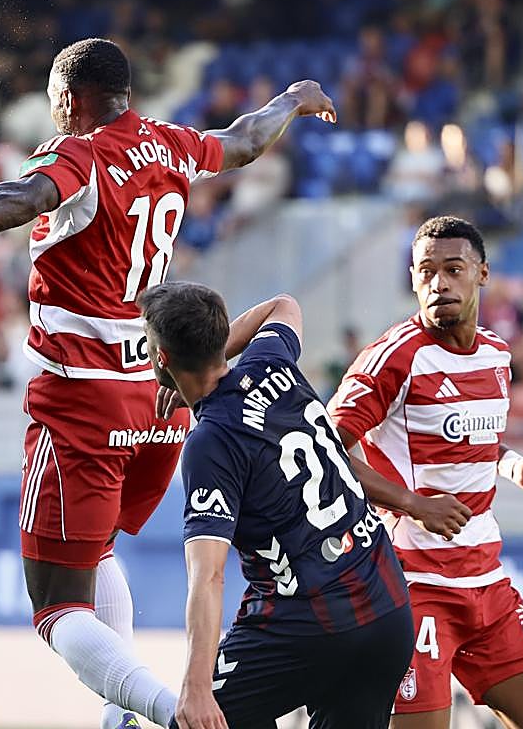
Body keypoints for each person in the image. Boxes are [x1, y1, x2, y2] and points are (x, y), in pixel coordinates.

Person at [0, 38, 335, 729]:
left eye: (56, 102)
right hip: (160, 401)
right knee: (99, 548)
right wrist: (291, 99)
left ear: (69, 100)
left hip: (83, 401)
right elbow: (242, 142)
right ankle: (122, 718)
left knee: (56, 606)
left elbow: (25, 195)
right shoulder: (171, 143)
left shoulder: (79, 153)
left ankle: (173, 713)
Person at [326, 216, 523, 729]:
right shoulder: (393, 357)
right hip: (411, 586)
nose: (439, 283)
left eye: (453, 269)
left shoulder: (496, 354)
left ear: (482, 274)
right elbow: (322, 448)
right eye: (426, 272)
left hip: (487, 582)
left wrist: (514, 466)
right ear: (412, 277)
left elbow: (471, 440)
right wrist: (412, 503)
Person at [141, 283, 411, 729]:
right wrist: (208, 351)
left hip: (310, 622)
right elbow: (283, 305)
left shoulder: (211, 442)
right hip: (387, 609)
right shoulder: (270, 360)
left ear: (161, 357)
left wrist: (197, 686)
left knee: (195, 723)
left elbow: (208, 575)